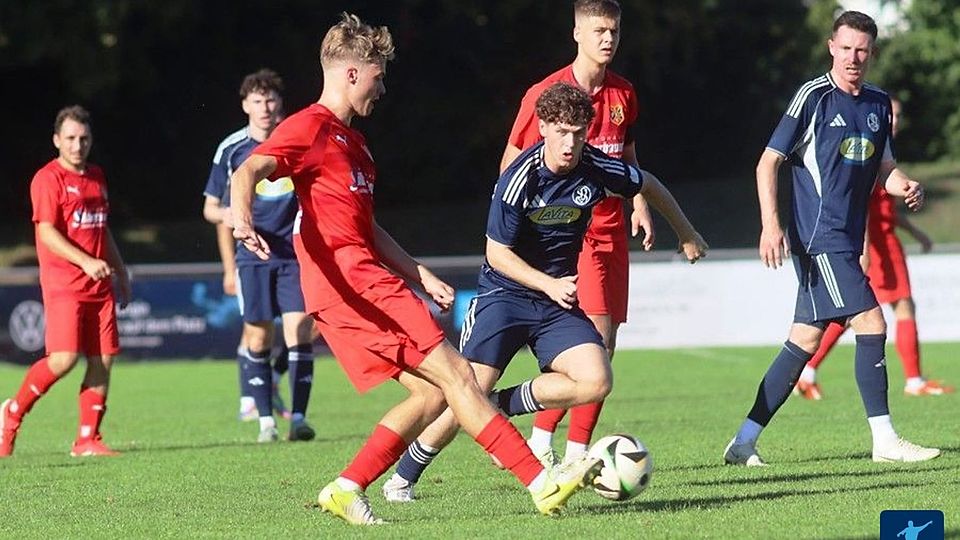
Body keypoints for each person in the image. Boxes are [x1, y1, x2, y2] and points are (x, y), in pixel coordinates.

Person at [229, 13, 600, 525]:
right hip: (353, 285)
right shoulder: (308, 127)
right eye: (378, 76)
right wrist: (241, 216)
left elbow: (366, 227)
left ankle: (346, 487)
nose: (383, 88)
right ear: (352, 73)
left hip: (366, 281)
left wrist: (417, 272)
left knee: (431, 393)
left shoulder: (354, 143)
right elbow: (250, 168)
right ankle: (541, 484)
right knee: (459, 376)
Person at [381, 82, 707, 502]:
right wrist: (548, 282)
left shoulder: (595, 166)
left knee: (596, 379)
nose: (569, 143)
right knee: (467, 388)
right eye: (560, 131)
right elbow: (496, 254)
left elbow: (648, 184)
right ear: (543, 127)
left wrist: (687, 232)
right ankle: (404, 475)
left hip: (553, 302)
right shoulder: (519, 179)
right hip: (503, 296)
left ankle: (500, 405)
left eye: (577, 131)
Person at [723, 11, 940, 466]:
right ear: (831, 47)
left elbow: (885, 169)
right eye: (845, 48)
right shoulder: (814, 97)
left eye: (862, 49)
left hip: (846, 241)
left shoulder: (878, 103)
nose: (853, 57)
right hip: (819, 239)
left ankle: (743, 442)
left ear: (872, 53)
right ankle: (885, 441)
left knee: (803, 341)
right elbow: (768, 163)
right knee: (872, 322)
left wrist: (906, 185)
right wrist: (770, 224)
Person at [499, 0, 655, 468]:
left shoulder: (623, 93)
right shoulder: (546, 95)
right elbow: (510, 163)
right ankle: (567, 450)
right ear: (577, 34)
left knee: (607, 345)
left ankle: (554, 445)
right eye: (599, 30)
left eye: (614, 30)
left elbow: (626, 155)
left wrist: (640, 202)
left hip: (611, 234)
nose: (608, 39)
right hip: (572, 236)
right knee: (596, 340)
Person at [794, 97, 952, 399]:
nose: (895, 120)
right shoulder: (871, 149)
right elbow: (861, 203)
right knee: (887, 309)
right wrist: (864, 247)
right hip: (878, 247)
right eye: (891, 114)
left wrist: (917, 233)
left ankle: (808, 372)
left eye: (899, 115)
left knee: (858, 314)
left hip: (883, 241)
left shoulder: (882, 151)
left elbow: (884, 211)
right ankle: (914, 380)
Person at [1, 106, 131, 457]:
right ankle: (12, 413)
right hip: (64, 284)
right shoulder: (47, 179)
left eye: (84, 138)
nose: (78, 145)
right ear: (57, 140)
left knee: (103, 359)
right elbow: (45, 231)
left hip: (99, 284)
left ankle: (87, 439)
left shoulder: (97, 176)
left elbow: (102, 229)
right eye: (71, 138)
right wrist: (87, 262)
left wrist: (121, 271)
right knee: (63, 359)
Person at [203, 69, 314, 442]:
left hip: (294, 254)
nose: (265, 107)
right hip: (252, 257)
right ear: (245, 105)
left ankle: (298, 419)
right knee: (258, 337)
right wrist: (231, 215)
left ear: (279, 103)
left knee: (301, 330)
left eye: (270, 99)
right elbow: (210, 208)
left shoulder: (296, 139)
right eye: (257, 100)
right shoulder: (232, 149)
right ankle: (266, 421)